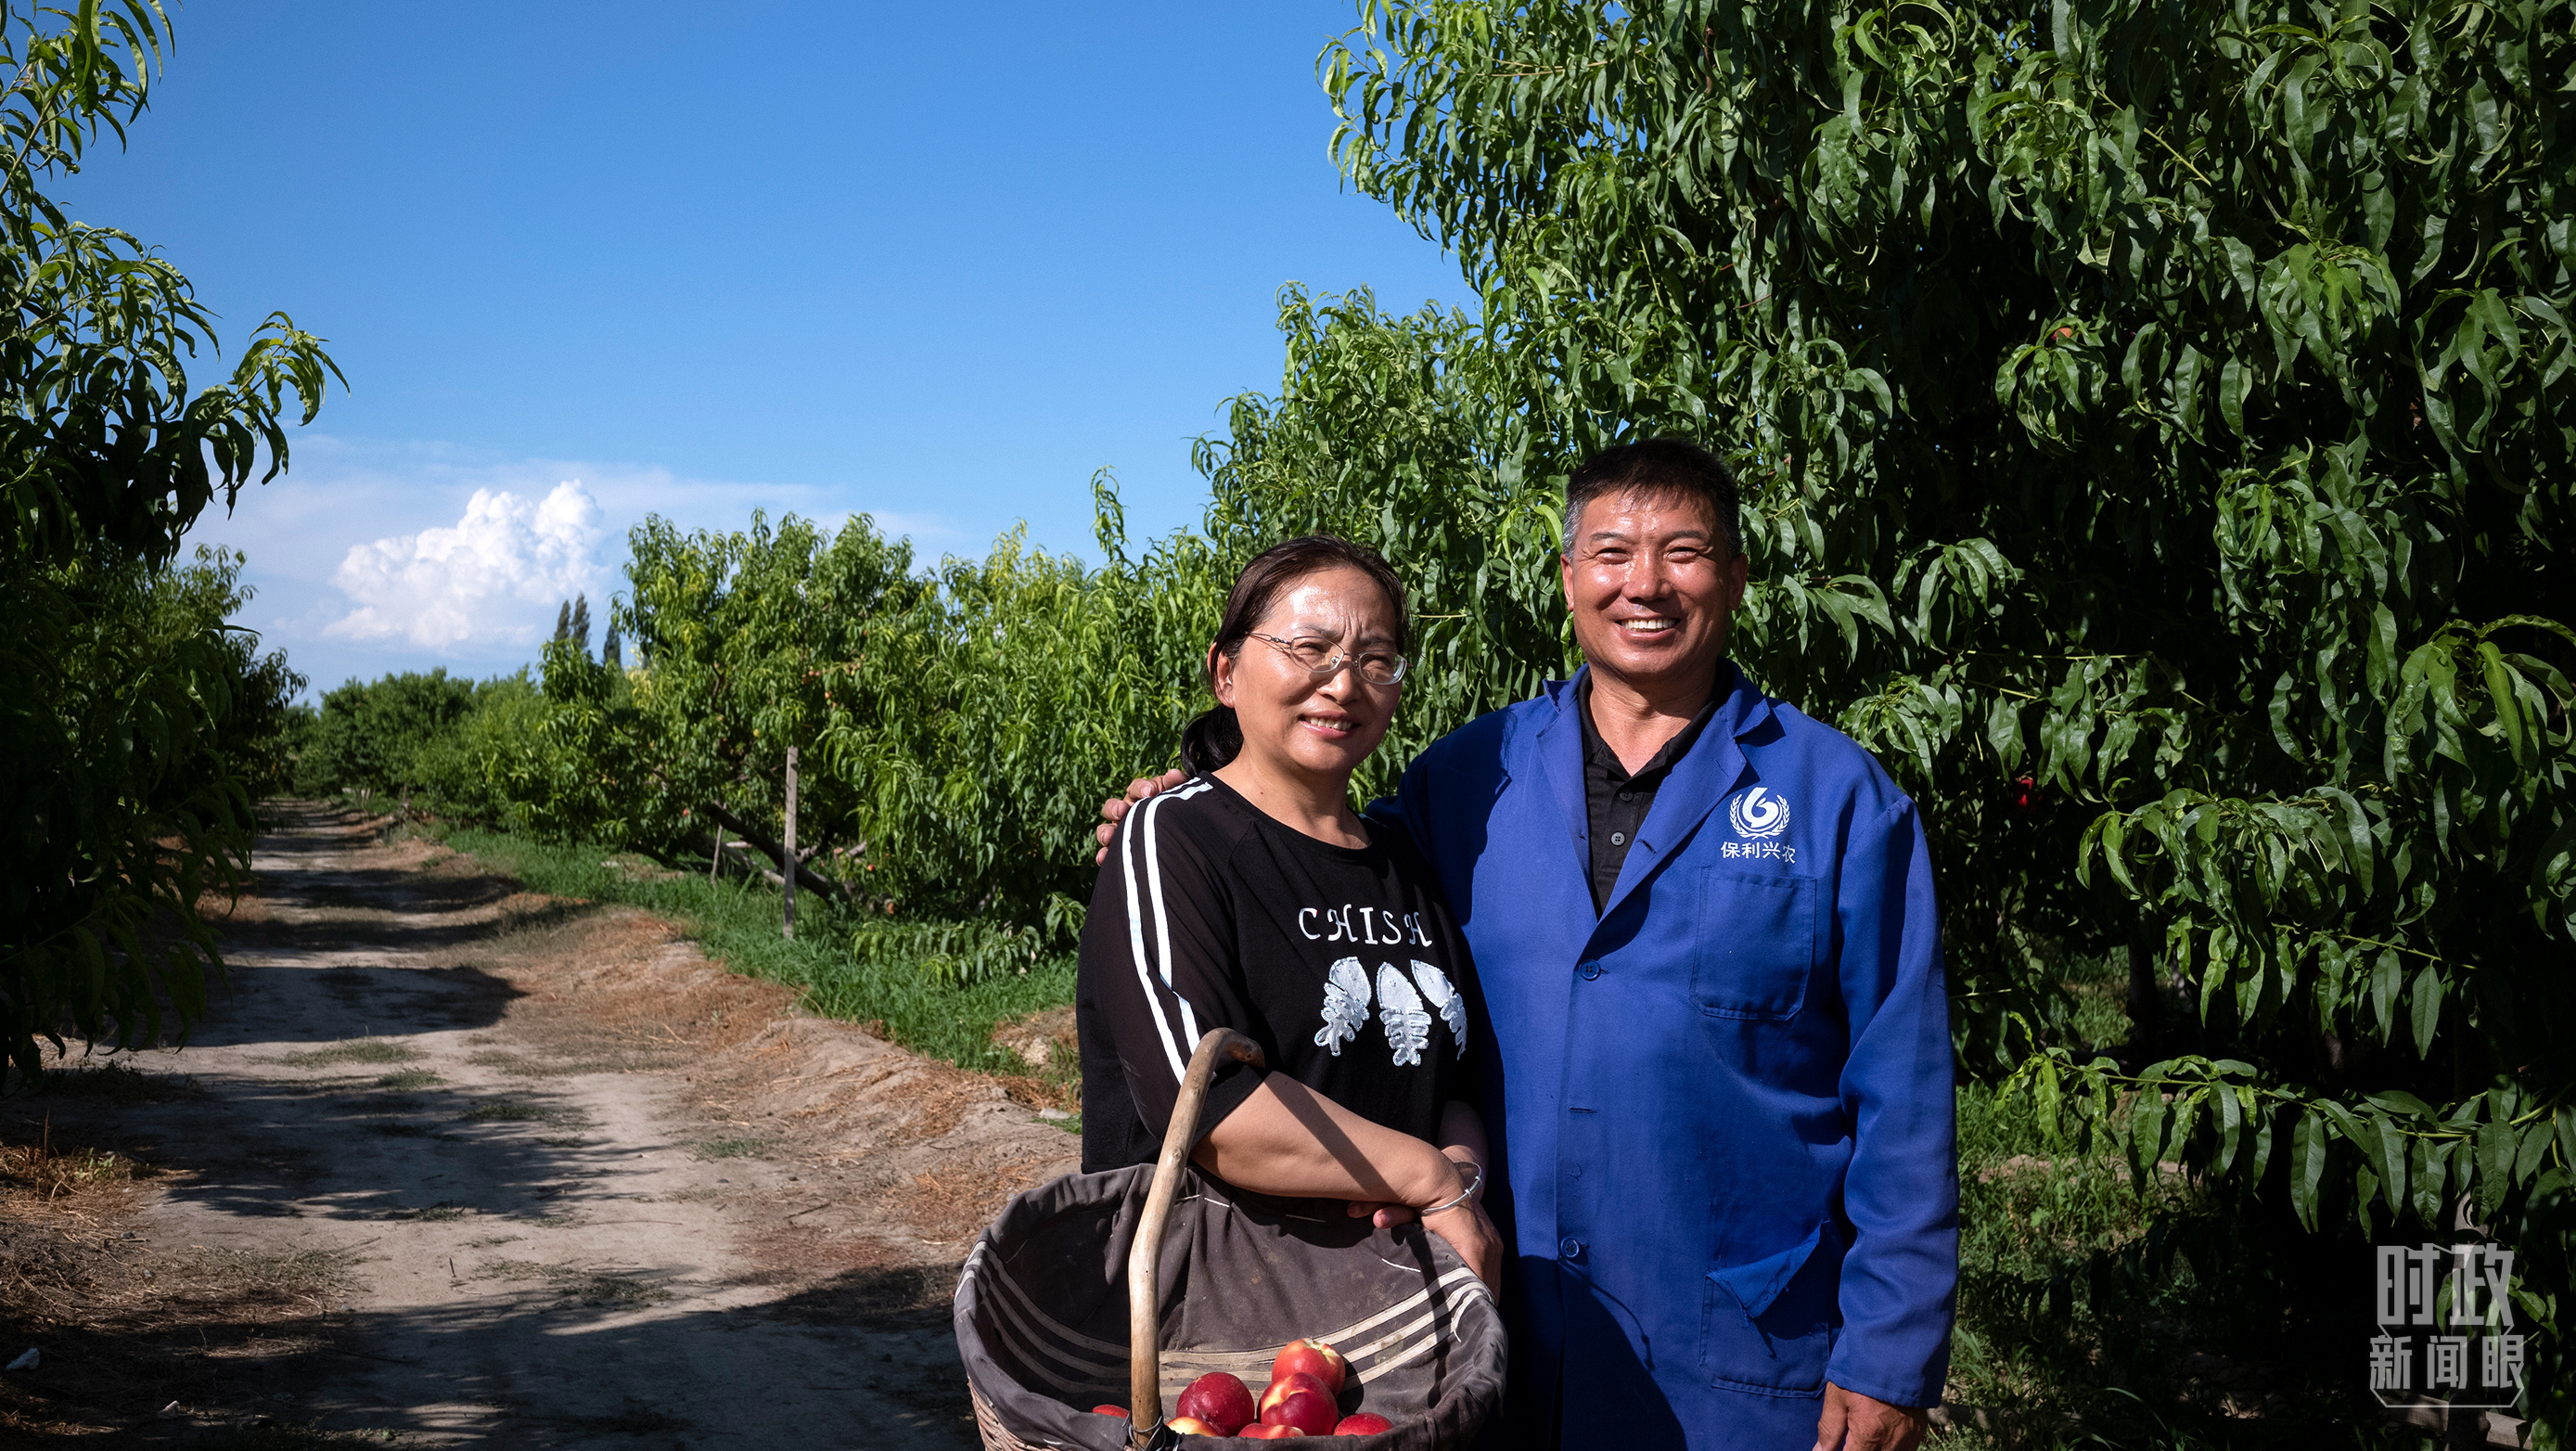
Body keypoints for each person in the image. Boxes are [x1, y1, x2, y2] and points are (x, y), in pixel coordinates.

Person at [1098, 442, 1956, 1450]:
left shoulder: (1838, 800)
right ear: (1566, 578)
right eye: (1610, 551)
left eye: (1682, 552)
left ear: (1732, 577)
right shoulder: (1470, 778)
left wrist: (1889, 1352)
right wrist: (1193, 792)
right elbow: (1309, 848)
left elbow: (1902, 1094)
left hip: (1740, 1353)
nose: (1644, 583)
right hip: (1490, 1337)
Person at [1077, 533, 1503, 1290]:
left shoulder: (1405, 862)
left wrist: (1461, 1184)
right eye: (1309, 648)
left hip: (1393, 1309)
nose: (1343, 684)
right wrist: (1426, 1178)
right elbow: (1205, 1104)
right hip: (1221, 1319)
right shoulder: (1176, 835)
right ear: (1226, 671)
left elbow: (1457, 1080)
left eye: (1376, 660)